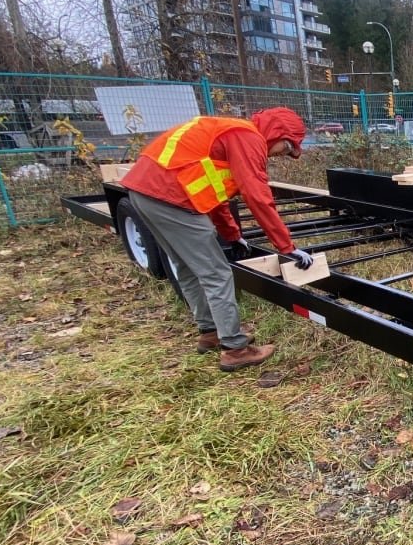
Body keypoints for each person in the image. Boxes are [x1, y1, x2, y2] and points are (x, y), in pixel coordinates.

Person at [119, 107, 315, 372]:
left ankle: (210, 332)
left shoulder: (229, 133)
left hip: (146, 193)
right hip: (170, 196)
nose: (282, 154)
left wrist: (232, 235)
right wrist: (287, 247)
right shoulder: (248, 138)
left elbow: (212, 193)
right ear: (278, 132)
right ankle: (235, 349)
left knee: (187, 267)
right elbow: (257, 196)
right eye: (287, 147)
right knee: (217, 274)